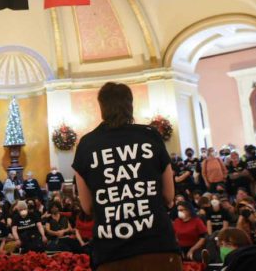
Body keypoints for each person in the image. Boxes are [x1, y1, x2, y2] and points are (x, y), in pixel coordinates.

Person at [72, 82, 181, 270]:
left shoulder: (87, 144)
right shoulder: (150, 136)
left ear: (102, 107)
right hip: (158, 245)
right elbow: (168, 196)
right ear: (130, 105)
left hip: (111, 252)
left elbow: (87, 207)